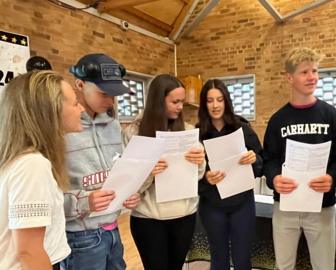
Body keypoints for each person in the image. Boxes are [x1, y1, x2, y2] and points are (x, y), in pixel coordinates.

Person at [263, 47, 336, 270]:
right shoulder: (277, 120)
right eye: (304, 72)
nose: (312, 77)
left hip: (321, 207)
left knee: (324, 266)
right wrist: (274, 179)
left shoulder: (333, 116)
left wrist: (332, 178)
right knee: (283, 266)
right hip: (285, 206)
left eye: (314, 71)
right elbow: (269, 159)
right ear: (289, 77)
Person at [62, 53, 140, 270]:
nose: (110, 101)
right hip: (80, 238)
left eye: (114, 96)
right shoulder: (61, 130)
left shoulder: (114, 125)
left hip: (113, 230)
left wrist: (128, 193)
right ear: (79, 84)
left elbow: (118, 170)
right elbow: (48, 197)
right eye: (104, 94)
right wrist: (85, 202)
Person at [0, 71, 84, 269]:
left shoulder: (21, 160)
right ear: (50, 112)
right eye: (74, 104)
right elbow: (28, 251)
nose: (81, 108)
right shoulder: (31, 165)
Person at [123, 74, 206, 270]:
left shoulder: (187, 130)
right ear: (158, 101)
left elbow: (198, 176)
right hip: (149, 219)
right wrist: (150, 172)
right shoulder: (134, 133)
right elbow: (130, 184)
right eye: (175, 102)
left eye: (182, 102)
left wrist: (199, 162)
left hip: (184, 215)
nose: (180, 107)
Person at [196, 79, 263, 270]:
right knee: (218, 258)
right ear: (204, 103)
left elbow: (261, 163)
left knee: (242, 258)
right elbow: (191, 175)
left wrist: (254, 158)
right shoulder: (197, 133)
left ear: (226, 101)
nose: (215, 105)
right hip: (212, 205)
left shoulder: (242, 128)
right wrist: (206, 177)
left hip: (242, 203)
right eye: (210, 100)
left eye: (220, 99)